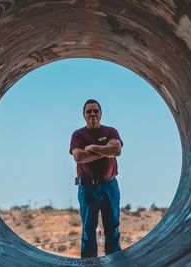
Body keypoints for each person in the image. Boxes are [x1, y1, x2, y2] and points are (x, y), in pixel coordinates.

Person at [69, 99, 123, 258]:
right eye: (89, 111)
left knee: (113, 229)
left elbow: (117, 151)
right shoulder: (78, 135)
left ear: (101, 113)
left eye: (95, 111)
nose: (92, 114)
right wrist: (107, 149)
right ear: (84, 115)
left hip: (110, 186)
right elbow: (78, 157)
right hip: (87, 188)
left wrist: (91, 148)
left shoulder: (111, 131)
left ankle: (114, 263)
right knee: (88, 231)